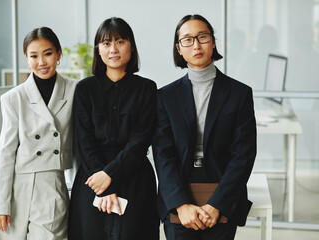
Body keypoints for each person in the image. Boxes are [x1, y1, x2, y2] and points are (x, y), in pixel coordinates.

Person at [152, 14, 257, 240]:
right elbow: (163, 155)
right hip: (179, 192)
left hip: (222, 191)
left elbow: (243, 155)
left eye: (202, 37)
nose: (196, 45)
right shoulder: (165, 97)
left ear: (213, 41)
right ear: (179, 49)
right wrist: (181, 205)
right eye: (187, 40)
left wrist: (217, 205)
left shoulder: (240, 94)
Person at [67, 17, 159, 240]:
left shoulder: (147, 88)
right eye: (106, 43)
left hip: (135, 177)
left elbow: (140, 140)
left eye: (120, 41)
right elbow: (84, 141)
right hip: (92, 178)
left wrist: (110, 175)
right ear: (98, 50)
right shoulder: (85, 89)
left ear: (131, 46)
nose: (113, 49)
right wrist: (103, 183)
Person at [0, 27, 78, 240]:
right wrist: (0, 203)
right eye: (34, 56)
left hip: (51, 185)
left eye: (47, 54)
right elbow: (6, 153)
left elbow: (80, 145)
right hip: (16, 189)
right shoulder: (13, 98)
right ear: (26, 59)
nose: (41, 62)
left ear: (58, 54)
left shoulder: (76, 90)